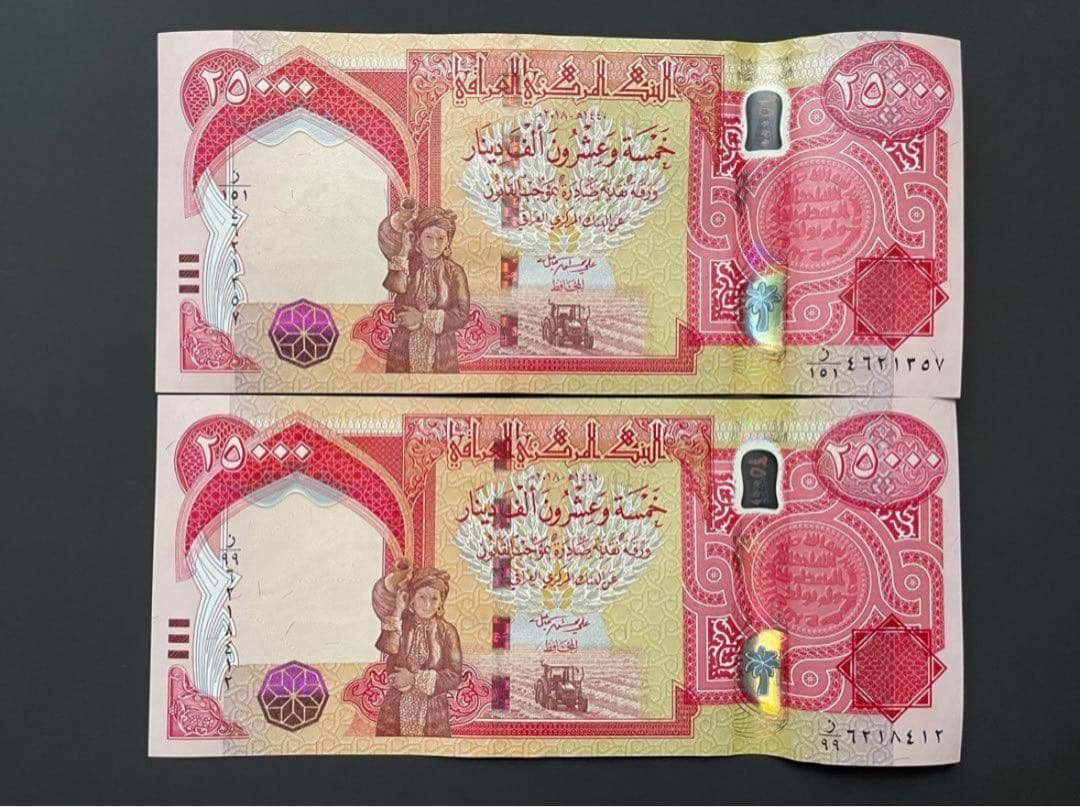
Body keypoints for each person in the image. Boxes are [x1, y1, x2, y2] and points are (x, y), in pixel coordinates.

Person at [377, 201, 470, 373]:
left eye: (441, 239)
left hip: (442, 350)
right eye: (429, 237)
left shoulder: (455, 272)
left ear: (448, 242)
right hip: (403, 347)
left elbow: (462, 315)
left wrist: (422, 319)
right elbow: (396, 287)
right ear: (418, 238)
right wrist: (404, 249)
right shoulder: (409, 265)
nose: (435, 245)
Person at [371, 564, 463, 736]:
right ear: (412, 599)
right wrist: (398, 610)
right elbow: (388, 648)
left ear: (441, 602)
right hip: (395, 709)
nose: (427, 605)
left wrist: (414, 678)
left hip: (433, 712)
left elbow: (454, 676)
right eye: (422, 597)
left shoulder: (447, 631)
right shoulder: (402, 624)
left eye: (434, 599)